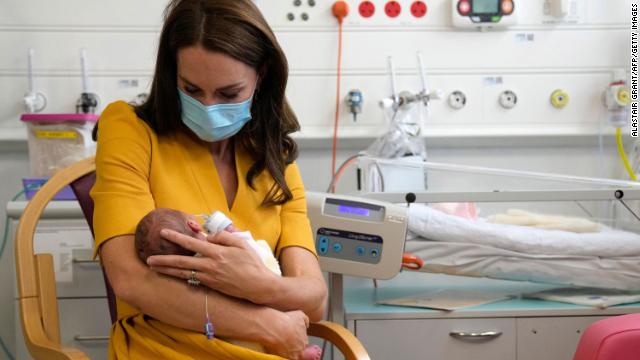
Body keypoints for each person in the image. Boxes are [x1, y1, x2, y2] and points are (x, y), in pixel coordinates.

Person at [90, 0, 328, 358]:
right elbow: (131, 280)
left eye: (229, 94)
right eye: (192, 90)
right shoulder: (130, 129)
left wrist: (255, 284)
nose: (209, 108)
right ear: (173, 75)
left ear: (261, 74)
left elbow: (314, 298)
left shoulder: (272, 155)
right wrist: (268, 322)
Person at [133, 208, 322, 359]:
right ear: (193, 225)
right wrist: (234, 232)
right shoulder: (220, 245)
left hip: (222, 340)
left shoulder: (174, 275)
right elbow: (252, 251)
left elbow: (316, 303)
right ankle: (298, 353)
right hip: (264, 315)